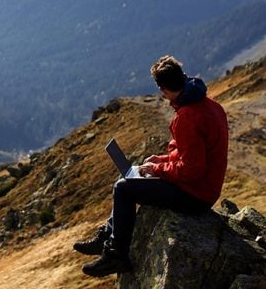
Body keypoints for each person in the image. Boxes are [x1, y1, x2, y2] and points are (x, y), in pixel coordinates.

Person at [73, 55, 229, 278]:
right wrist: (160, 161)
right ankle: (108, 235)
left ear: (163, 88)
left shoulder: (187, 117)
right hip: (205, 187)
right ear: (183, 77)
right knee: (132, 180)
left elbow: (192, 169)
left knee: (124, 188)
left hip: (196, 195)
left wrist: (157, 171)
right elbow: (191, 156)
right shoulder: (210, 105)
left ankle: (116, 254)